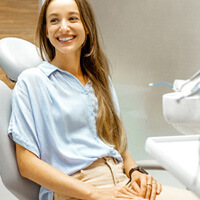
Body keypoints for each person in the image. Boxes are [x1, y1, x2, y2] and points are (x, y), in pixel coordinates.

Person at [7, 0, 199, 200]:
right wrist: (95, 193)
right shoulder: (32, 82)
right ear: (46, 31)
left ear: (87, 27)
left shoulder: (99, 80)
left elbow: (117, 145)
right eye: (54, 20)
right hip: (77, 189)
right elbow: (26, 164)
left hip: (121, 182)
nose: (64, 27)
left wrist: (135, 171)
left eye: (73, 18)